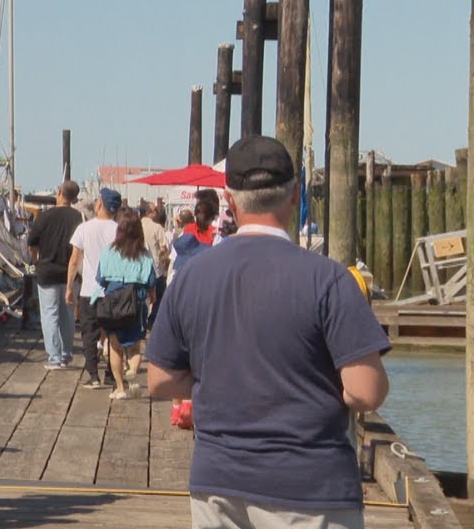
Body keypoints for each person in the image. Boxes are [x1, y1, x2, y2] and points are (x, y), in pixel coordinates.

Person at [146, 136, 391, 529]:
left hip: (218, 484)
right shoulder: (329, 280)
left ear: (229, 200)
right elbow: (366, 391)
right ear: (295, 194)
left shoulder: (191, 277)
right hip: (311, 488)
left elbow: (159, 380)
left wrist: (218, 380)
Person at [95, 208, 157, 400]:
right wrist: (152, 297)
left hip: (113, 303)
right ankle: (132, 370)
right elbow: (151, 283)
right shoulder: (144, 255)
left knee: (115, 347)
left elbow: (101, 279)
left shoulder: (108, 251)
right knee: (135, 347)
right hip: (135, 303)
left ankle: (120, 388)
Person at [67, 187, 121, 389]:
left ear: (100, 204)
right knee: (112, 332)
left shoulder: (84, 228)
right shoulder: (119, 230)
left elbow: (74, 260)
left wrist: (69, 287)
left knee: (88, 332)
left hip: (90, 288)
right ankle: (110, 373)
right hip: (113, 290)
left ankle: (93, 375)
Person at [27, 180, 83, 369]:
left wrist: (36, 261)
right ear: (74, 198)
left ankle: (54, 357)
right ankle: (66, 354)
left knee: (49, 314)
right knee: (67, 314)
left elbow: (32, 243)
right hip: (70, 272)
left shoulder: (44, 216)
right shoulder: (79, 217)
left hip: (47, 270)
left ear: (59, 192)